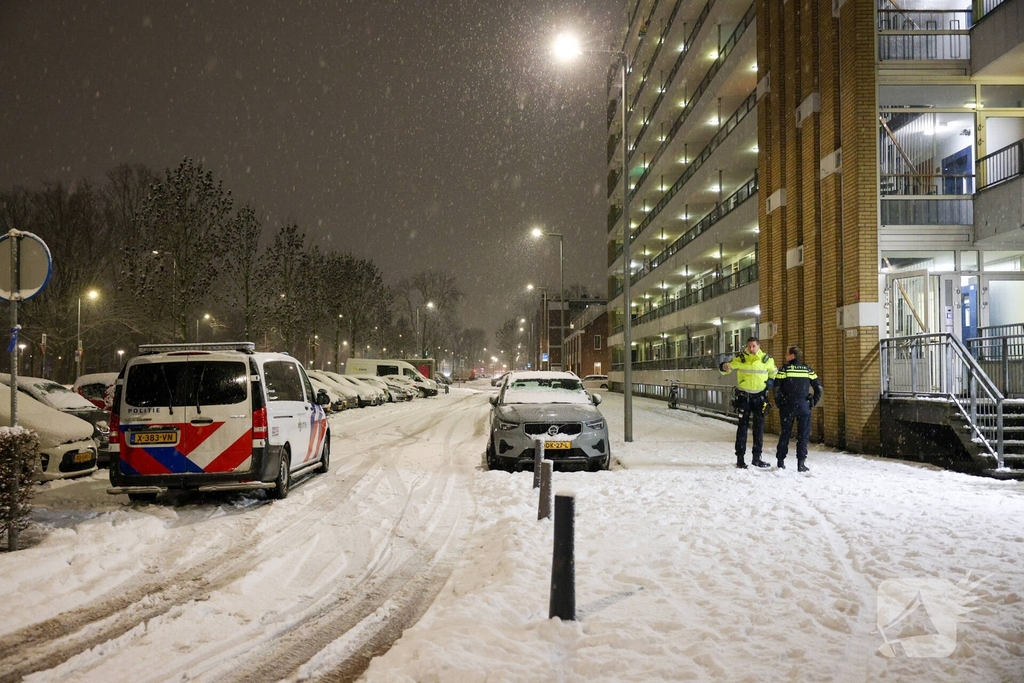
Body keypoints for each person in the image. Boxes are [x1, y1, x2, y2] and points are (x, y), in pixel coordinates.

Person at [719, 336, 777, 469]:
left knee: (759, 429)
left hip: (759, 398)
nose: (751, 349)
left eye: (754, 346)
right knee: (742, 429)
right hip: (744, 398)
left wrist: (769, 383)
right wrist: (723, 366)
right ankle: (740, 459)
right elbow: (726, 369)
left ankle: (757, 458)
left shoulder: (767, 359)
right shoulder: (741, 358)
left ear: (759, 346)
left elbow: (774, 375)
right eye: (749, 346)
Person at [773, 345, 822, 472]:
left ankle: (780, 461)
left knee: (785, 434)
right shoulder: (807, 369)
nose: (785, 355)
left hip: (787, 406)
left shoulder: (784, 369)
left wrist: (779, 403)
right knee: (803, 435)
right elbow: (819, 388)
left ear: (792, 356)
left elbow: (776, 388)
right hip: (803, 406)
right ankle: (801, 464)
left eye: (787, 353)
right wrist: (812, 402)